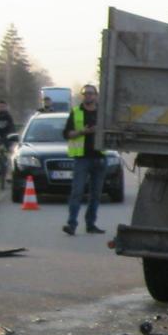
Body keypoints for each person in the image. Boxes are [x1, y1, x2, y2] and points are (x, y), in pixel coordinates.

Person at [60, 84, 105, 235]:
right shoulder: (76, 112)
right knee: (77, 192)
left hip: (99, 157)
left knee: (96, 195)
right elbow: (66, 134)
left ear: (96, 95)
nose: (88, 96)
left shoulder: (103, 113)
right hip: (82, 159)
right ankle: (71, 225)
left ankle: (91, 225)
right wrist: (82, 132)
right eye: (86, 93)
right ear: (82, 96)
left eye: (91, 93)